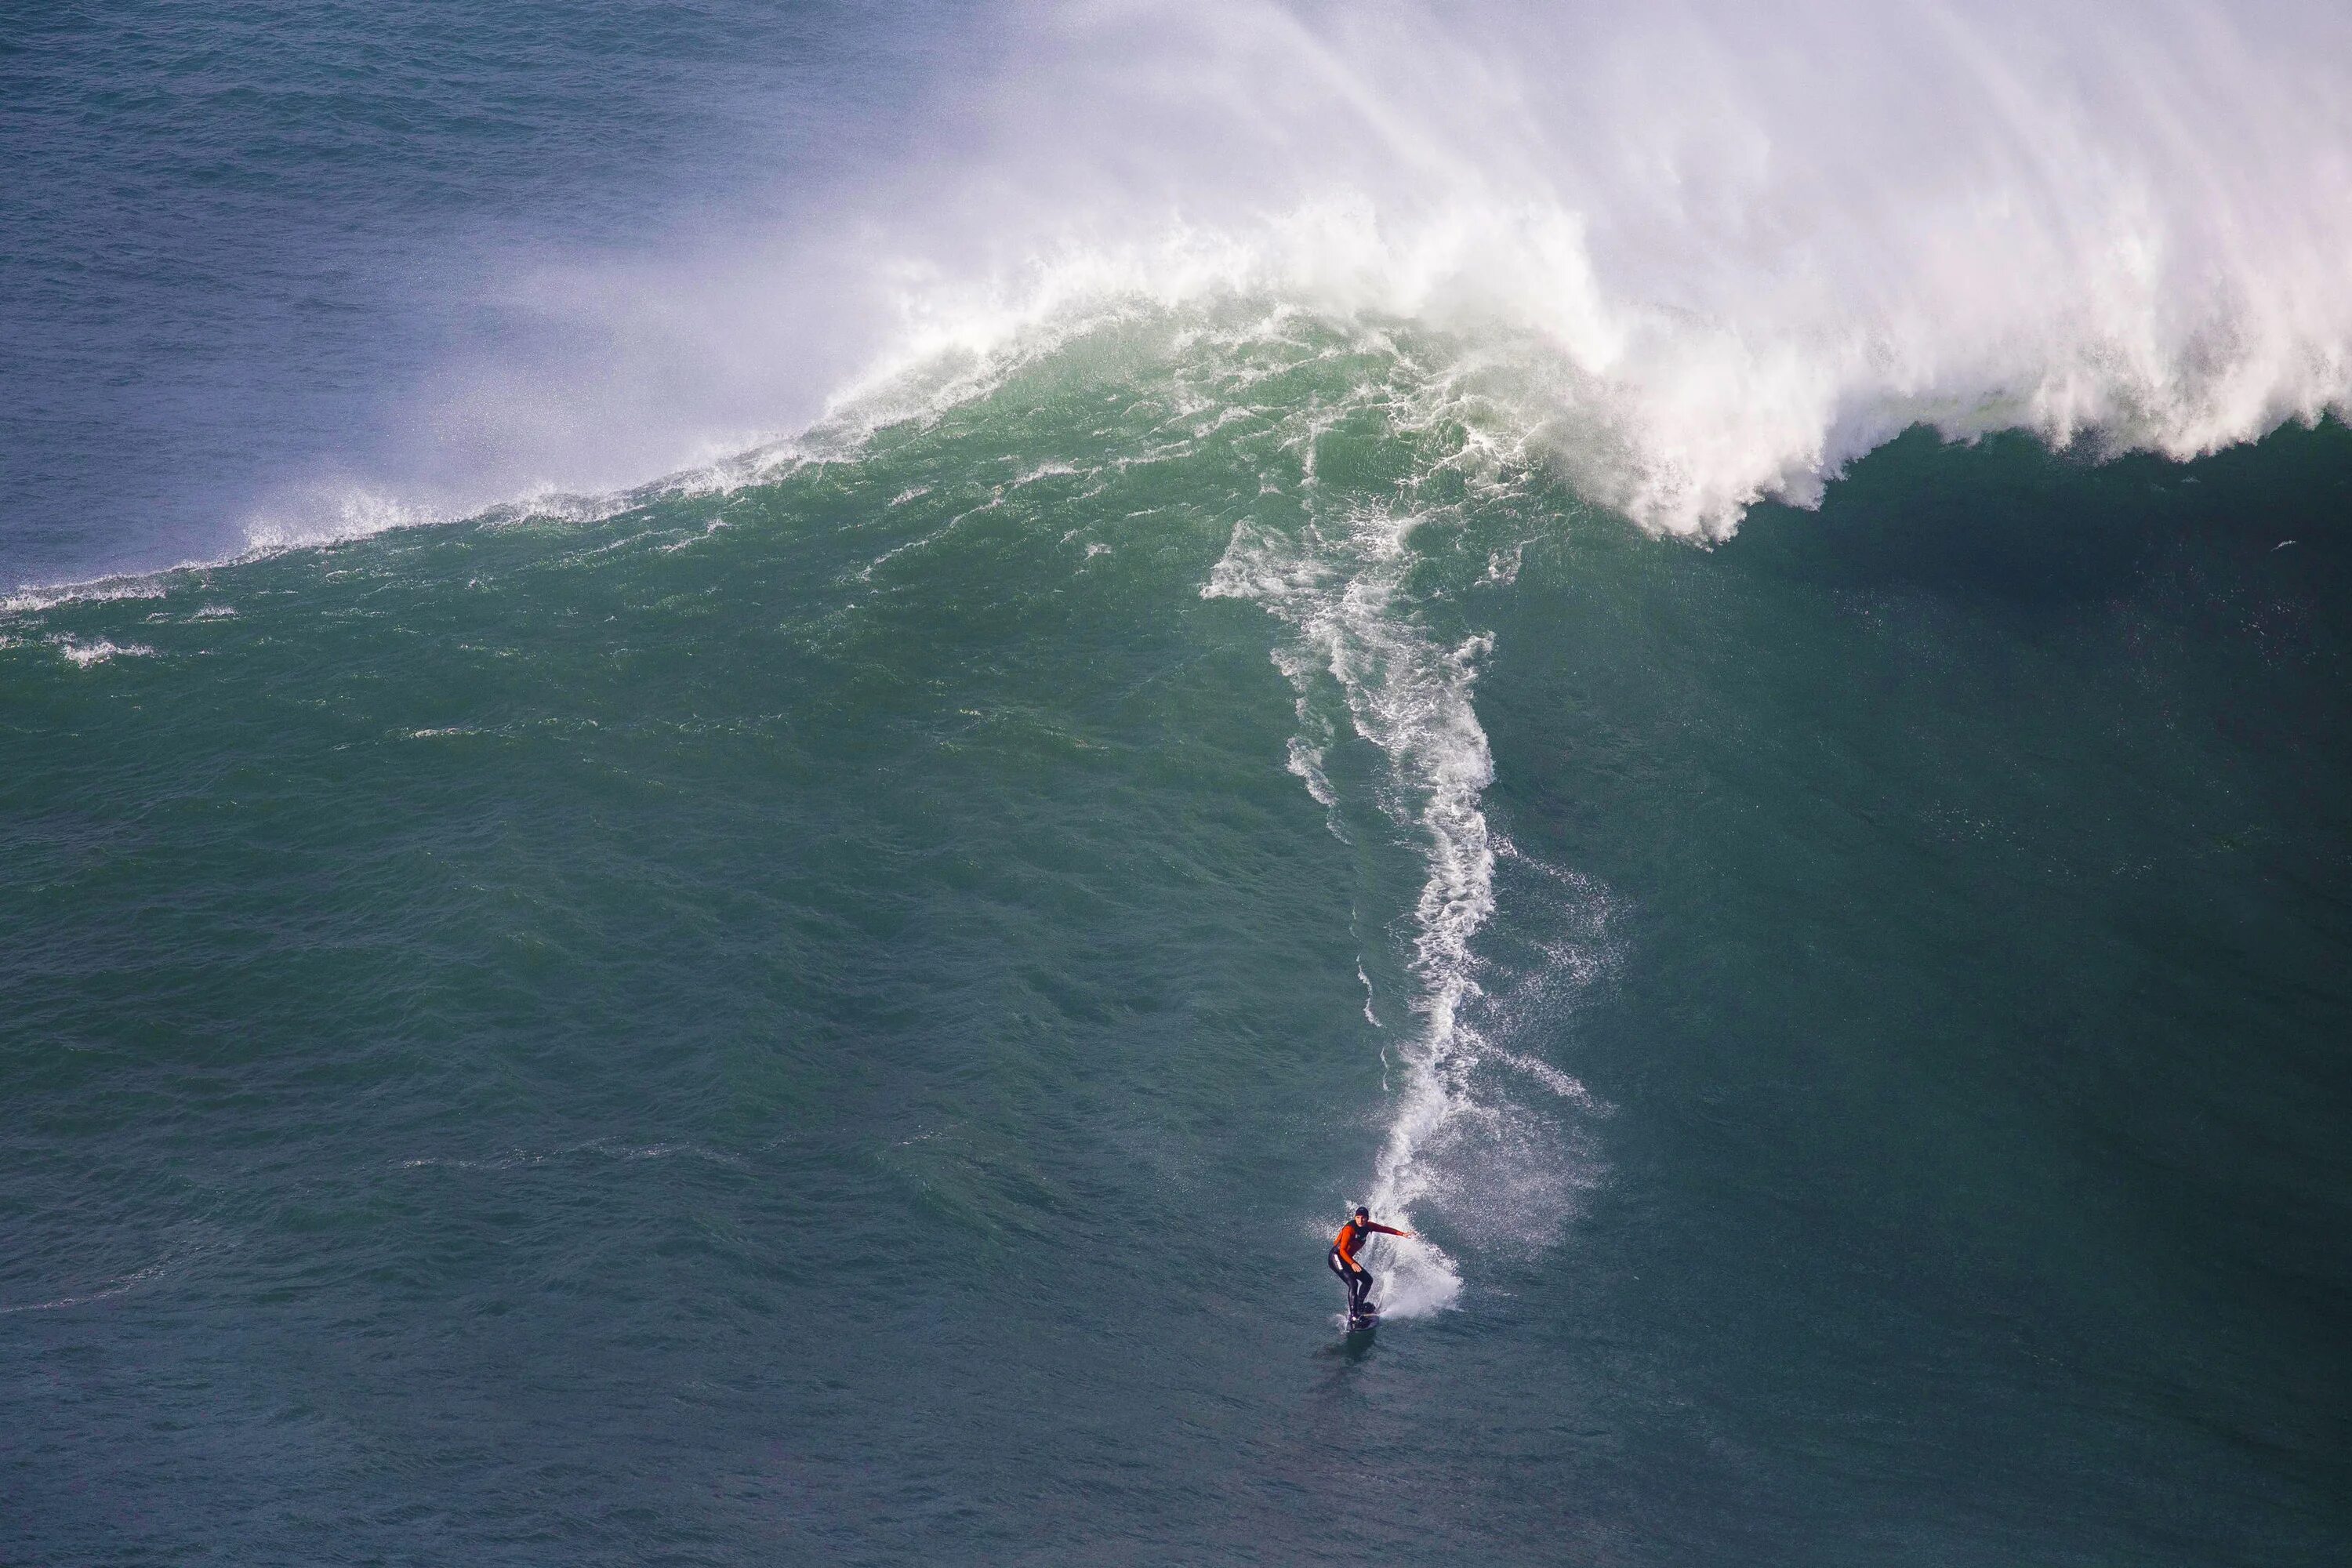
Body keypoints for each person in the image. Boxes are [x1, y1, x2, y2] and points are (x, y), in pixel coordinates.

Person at [1328, 1206, 1412, 1317]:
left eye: (1363, 1218)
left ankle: (1359, 1306)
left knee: (1368, 1280)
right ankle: (1354, 1316)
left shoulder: (1369, 1226)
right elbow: (1342, 1250)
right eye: (1358, 1217)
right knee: (1353, 1283)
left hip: (1348, 1260)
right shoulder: (1350, 1229)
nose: (1360, 1220)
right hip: (1337, 1257)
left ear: (1367, 1218)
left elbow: (1384, 1229)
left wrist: (1402, 1234)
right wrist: (1352, 1263)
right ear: (1355, 1217)